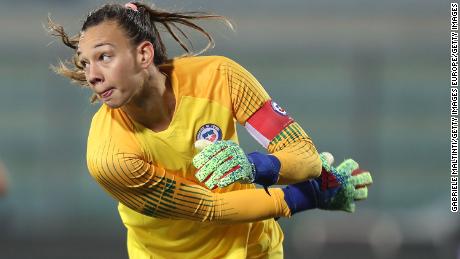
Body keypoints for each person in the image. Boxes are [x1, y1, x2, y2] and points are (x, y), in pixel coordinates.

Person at [49, 2, 372, 258]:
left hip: (255, 249)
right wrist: (306, 196)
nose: (92, 74)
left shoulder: (220, 77)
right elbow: (209, 207)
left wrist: (256, 167)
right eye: (85, 63)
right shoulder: (109, 156)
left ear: (143, 54)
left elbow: (304, 156)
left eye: (104, 56)